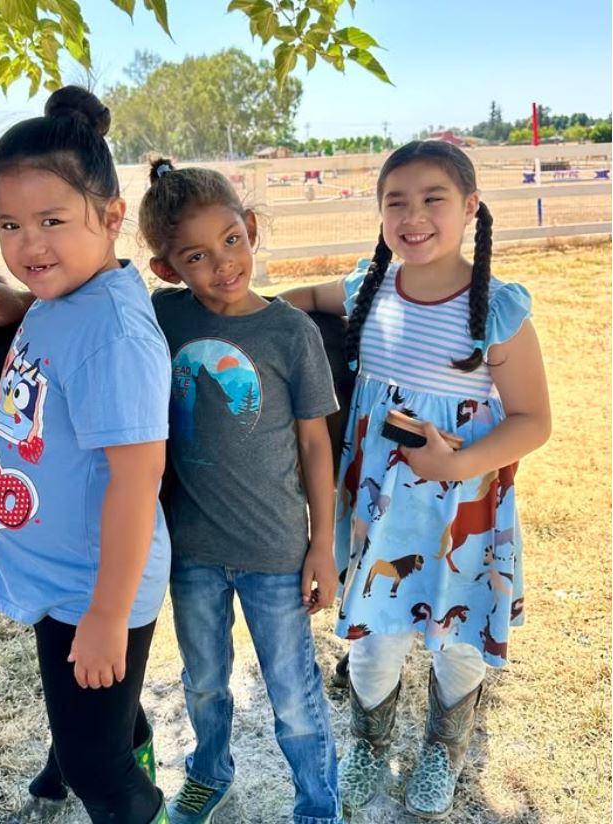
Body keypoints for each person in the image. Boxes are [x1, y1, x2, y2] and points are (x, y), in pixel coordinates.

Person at [281, 140, 551, 819]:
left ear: (469, 208)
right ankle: (368, 741)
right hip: (377, 512)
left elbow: (531, 419)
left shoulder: (497, 311)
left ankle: (442, 747)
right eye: (394, 201)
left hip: (460, 511)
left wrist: (456, 464)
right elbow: (286, 306)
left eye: (433, 198)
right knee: (375, 638)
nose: (413, 215)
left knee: (457, 642)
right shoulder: (364, 292)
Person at [0, 86, 171, 824]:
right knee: (89, 721)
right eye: (10, 225)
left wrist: (107, 616)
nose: (28, 245)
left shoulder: (116, 335)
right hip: (59, 578)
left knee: (97, 768)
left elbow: (135, 479)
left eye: (52, 221)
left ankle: (132, 799)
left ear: (112, 216)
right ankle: (119, 748)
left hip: (93, 587)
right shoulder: (64, 298)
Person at [138, 159, 343, 824]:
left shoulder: (289, 333)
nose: (221, 265)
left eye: (231, 240)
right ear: (166, 269)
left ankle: (317, 804)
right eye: (195, 256)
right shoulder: (160, 316)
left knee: (292, 694)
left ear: (250, 228)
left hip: (275, 553)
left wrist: (321, 547)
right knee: (202, 683)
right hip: (191, 551)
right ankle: (209, 770)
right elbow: (81, 300)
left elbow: (315, 445)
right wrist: (11, 303)